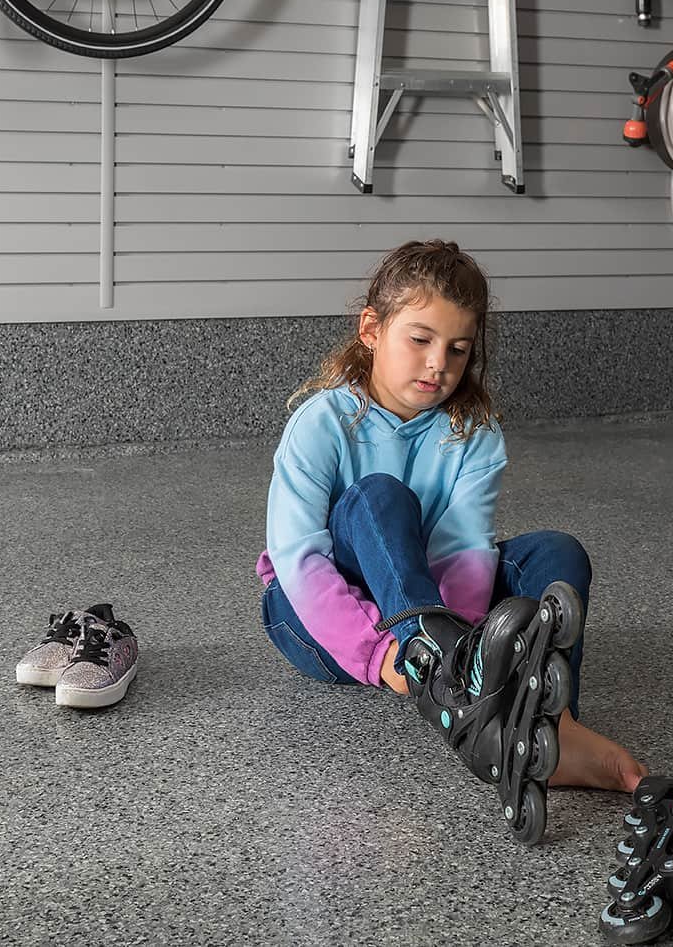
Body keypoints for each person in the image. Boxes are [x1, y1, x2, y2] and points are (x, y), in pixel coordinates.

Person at [255, 239, 645, 837]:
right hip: (318, 619)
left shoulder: (473, 432)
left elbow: (464, 550)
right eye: (420, 340)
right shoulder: (324, 422)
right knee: (380, 497)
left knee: (556, 552)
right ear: (371, 329)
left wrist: (472, 652)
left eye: (458, 350)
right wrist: (387, 657)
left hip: (438, 602)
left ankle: (547, 722)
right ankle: (433, 663)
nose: (438, 364)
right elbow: (299, 559)